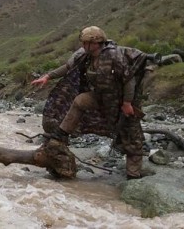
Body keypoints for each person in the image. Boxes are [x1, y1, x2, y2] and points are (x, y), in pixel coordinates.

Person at [31, 26, 154, 180]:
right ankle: (62, 133)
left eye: (86, 43)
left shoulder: (114, 56)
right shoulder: (85, 56)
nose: (83, 45)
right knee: (80, 101)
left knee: (132, 134)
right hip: (101, 96)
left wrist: (127, 103)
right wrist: (48, 76)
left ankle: (133, 174)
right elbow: (68, 67)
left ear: (96, 43)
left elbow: (128, 80)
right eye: (82, 42)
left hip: (122, 99)